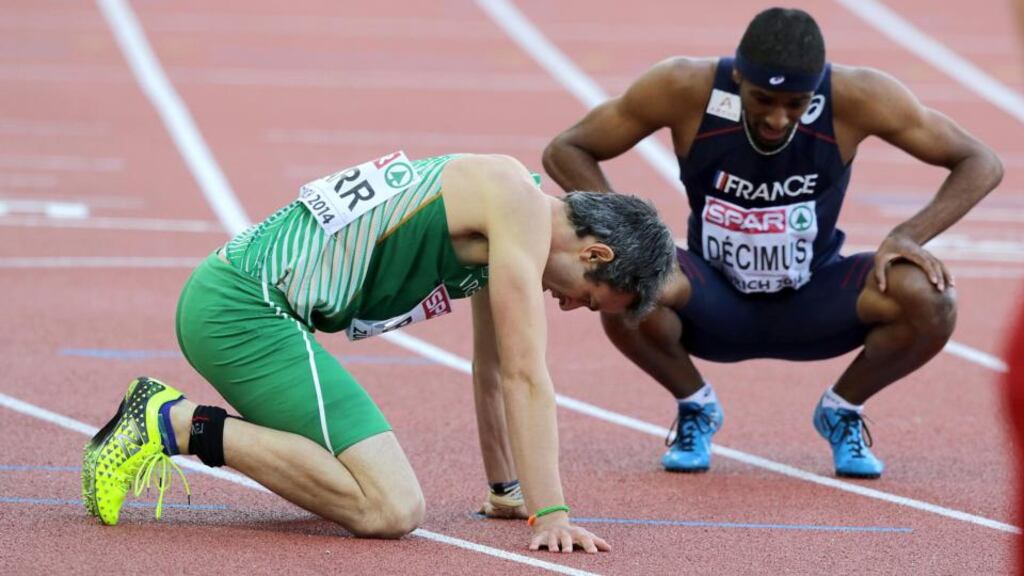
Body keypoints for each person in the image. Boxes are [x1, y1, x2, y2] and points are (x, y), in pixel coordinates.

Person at [81, 152, 677, 553]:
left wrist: (507, 493)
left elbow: (492, 369)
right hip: (244, 311)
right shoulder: (518, 207)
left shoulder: (509, 208)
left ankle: (174, 423)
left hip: (240, 303)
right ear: (596, 254)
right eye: (590, 300)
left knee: (353, 487)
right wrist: (552, 516)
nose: (569, 307)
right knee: (389, 507)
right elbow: (526, 374)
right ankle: (172, 422)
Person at [543, 7, 1003, 478]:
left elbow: (980, 161)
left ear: (817, 88)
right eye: (763, 99)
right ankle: (695, 404)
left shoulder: (861, 96)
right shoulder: (683, 88)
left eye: (797, 104)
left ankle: (842, 409)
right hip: (710, 295)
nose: (778, 119)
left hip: (816, 294)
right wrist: (626, 230)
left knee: (933, 298)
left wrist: (909, 234)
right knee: (620, 276)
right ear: (738, 74)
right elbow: (567, 147)